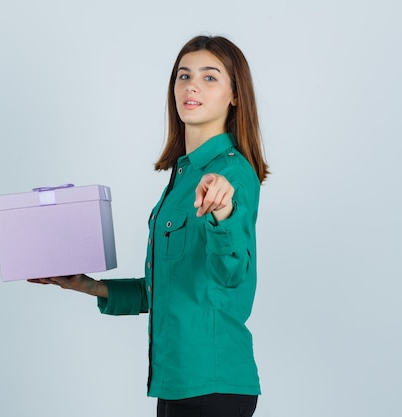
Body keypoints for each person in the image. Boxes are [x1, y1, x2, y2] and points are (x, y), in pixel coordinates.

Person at [29, 35, 269, 417]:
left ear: (235, 95)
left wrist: (222, 212)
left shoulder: (232, 173)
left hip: (214, 381)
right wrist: (85, 284)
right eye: (183, 75)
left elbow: (232, 274)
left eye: (210, 77)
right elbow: (169, 289)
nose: (191, 85)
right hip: (176, 382)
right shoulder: (183, 177)